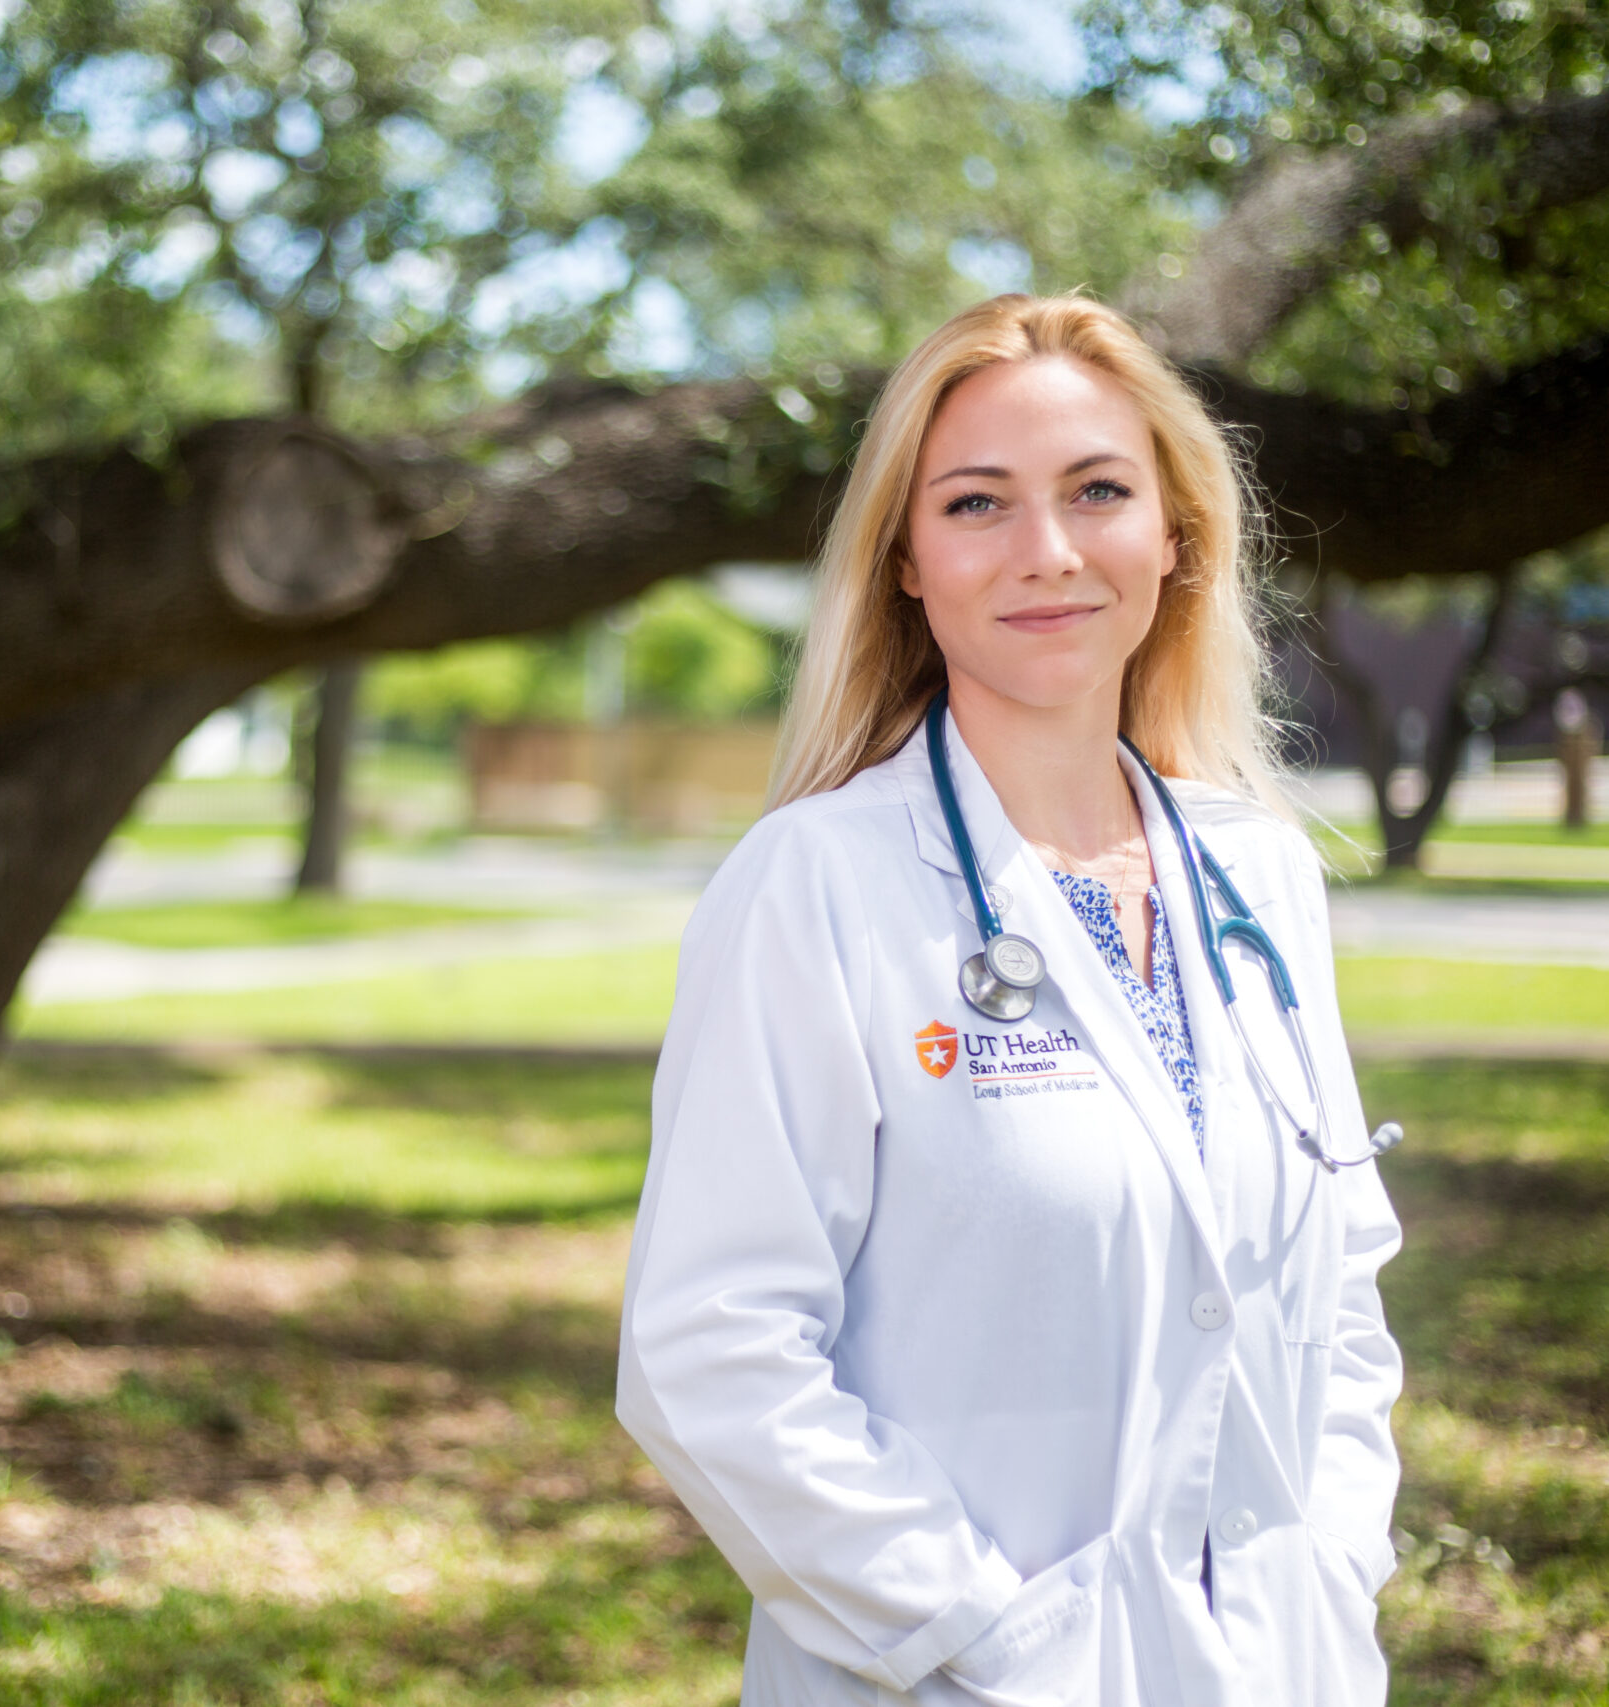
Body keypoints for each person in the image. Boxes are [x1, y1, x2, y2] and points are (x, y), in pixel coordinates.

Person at [615, 293, 1405, 1707]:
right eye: (977, 504)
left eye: (1098, 490)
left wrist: (1336, 1574)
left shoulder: (1261, 877)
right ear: (906, 562)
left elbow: (1339, 1294)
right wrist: (991, 1641)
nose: (1047, 552)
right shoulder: (818, 887)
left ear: (1176, 536)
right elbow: (710, 1353)